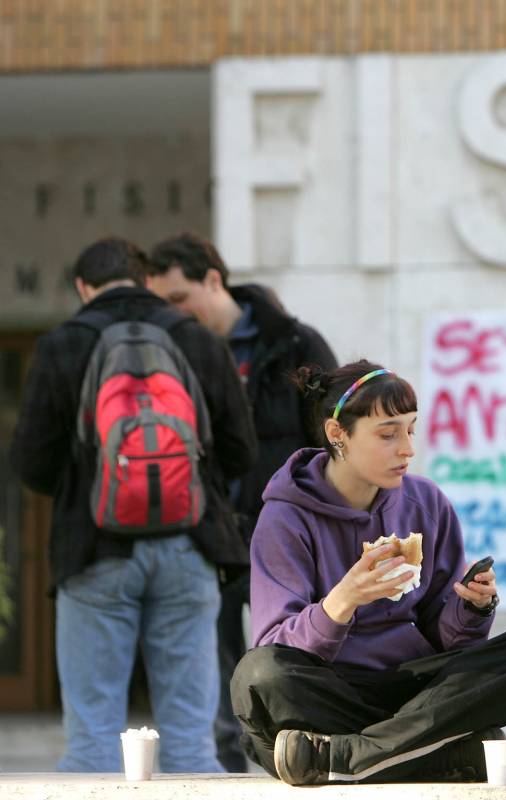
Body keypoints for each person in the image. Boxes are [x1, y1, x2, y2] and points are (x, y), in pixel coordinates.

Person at [230, 360, 506, 785]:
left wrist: (471, 608)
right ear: (337, 434)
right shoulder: (286, 518)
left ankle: (348, 757)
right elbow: (273, 647)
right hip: (331, 691)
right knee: (258, 677)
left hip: (412, 694)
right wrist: (343, 600)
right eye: (387, 434)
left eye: (411, 429)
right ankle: (430, 752)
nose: (407, 449)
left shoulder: (425, 502)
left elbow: (443, 637)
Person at [8, 237, 257, 772]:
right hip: (192, 546)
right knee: (192, 739)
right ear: (146, 281)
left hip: (94, 550)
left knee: (93, 737)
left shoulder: (62, 344)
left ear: (82, 287)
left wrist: (91, 490)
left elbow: (30, 462)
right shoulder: (196, 339)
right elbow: (241, 450)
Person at [143, 231, 337, 771]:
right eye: (164, 304)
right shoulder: (170, 353)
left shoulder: (296, 344)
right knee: (218, 682)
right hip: (213, 541)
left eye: (180, 299)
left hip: (292, 542)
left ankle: (307, 765)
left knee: (298, 662)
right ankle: (227, 780)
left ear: (213, 279)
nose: (175, 313)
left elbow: (335, 442)